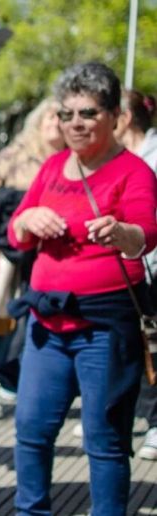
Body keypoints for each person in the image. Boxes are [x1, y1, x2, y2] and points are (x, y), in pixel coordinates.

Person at [7, 62, 157, 515]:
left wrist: (121, 232)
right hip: (46, 325)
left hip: (105, 328)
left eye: (88, 113)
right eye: (66, 113)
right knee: (31, 429)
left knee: (106, 438)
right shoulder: (53, 167)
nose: (75, 123)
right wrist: (28, 220)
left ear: (116, 117)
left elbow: (146, 235)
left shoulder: (133, 172)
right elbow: (16, 233)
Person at [0, 98, 65, 419]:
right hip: (12, 253)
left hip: (49, 256)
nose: (57, 123)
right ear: (39, 121)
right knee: (5, 323)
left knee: (38, 326)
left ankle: (25, 388)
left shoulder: (71, 160)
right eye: (51, 117)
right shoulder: (16, 154)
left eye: (61, 117)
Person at [115, 88, 157, 460]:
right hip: (133, 272)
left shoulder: (151, 159)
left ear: (123, 119)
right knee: (140, 348)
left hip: (152, 264)